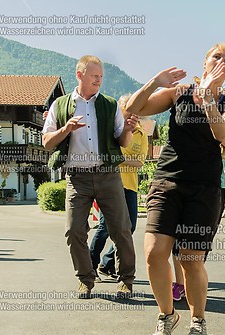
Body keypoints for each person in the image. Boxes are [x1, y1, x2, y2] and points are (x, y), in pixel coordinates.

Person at [126, 43, 225, 335]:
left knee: (190, 259)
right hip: (168, 180)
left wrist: (207, 99)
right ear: (204, 62)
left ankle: (198, 319)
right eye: (216, 56)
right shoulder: (178, 92)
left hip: (204, 187)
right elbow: (132, 109)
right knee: (154, 253)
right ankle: (166, 315)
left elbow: (221, 134)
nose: (221, 62)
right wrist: (154, 82)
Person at [42, 55, 139, 299]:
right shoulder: (60, 105)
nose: (99, 80)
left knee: (121, 229)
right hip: (78, 178)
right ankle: (86, 279)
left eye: (101, 76)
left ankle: (126, 280)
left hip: (107, 174)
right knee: (74, 230)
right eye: (94, 76)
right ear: (80, 75)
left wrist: (128, 130)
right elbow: (46, 143)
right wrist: (66, 129)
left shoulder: (109, 104)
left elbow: (123, 142)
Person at [171, 133, 225, 301]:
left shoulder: (221, 125)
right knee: (177, 239)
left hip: (213, 188)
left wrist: (218, 135)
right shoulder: (187, 119)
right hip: (184, 185)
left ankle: (193, 281)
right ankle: (180, 284)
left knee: (199, 242)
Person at [89, 94, 149, 281]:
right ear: (120, 109)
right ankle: (90, 266)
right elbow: (106, 156)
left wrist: (120, 158)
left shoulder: (141, 133)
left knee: (129, 227)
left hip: (130, 185)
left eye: (134, 109)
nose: (131, 112)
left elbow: (140, 162)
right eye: (127, 107)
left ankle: (106, 263)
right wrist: (123, 159)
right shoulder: (111, 130)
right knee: (105, 227)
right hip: (108, 183)